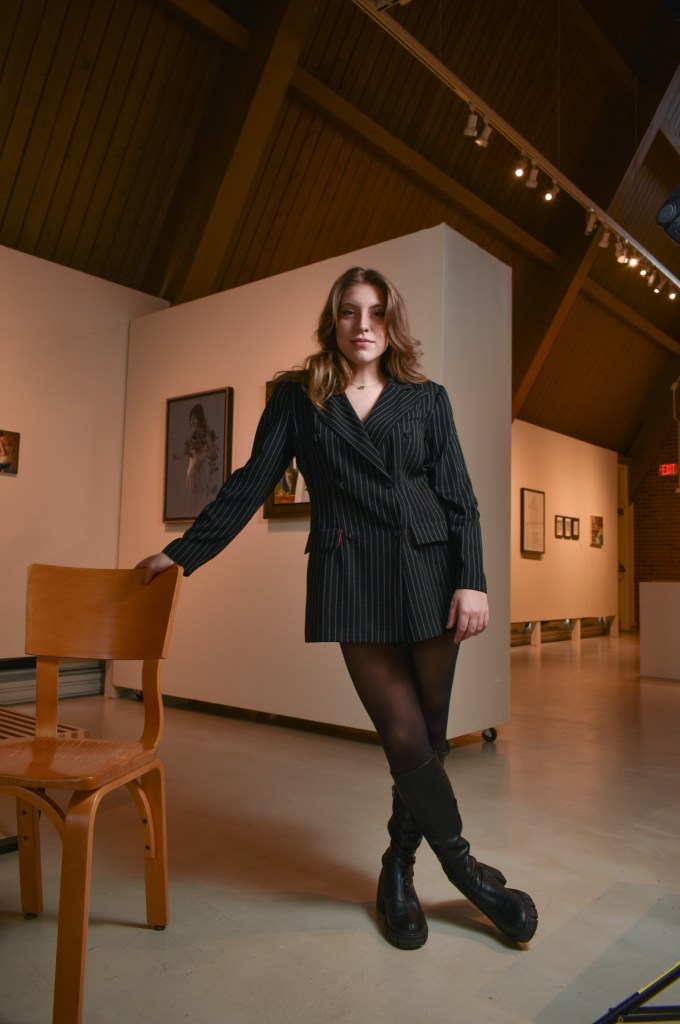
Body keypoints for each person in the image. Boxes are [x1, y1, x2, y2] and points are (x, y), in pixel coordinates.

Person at [138, 266, 537, 950]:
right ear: (333, 320)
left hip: (430, 571)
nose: (362, 325)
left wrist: (471, 579)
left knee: (430, 738)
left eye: (375, 312)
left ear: (391, 323)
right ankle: (467, 871)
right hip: (351, 575)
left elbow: (458, 498)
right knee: (404, 738)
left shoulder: (424, 398)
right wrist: (185, 551)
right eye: (349, 312)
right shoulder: (299, 398)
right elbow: (251, 482)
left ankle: (398, 872)